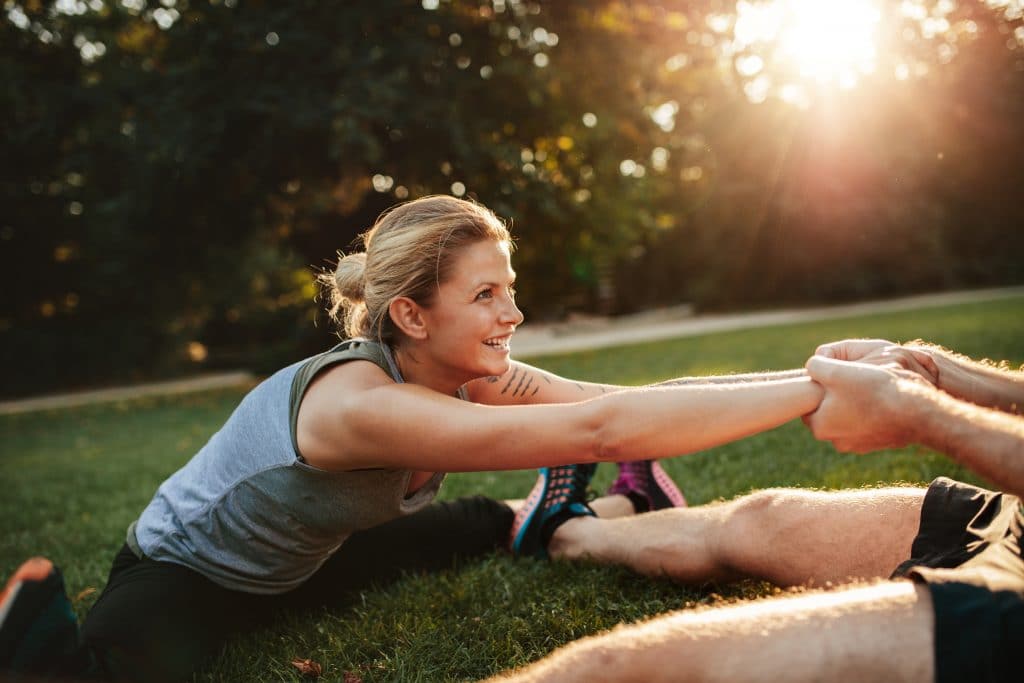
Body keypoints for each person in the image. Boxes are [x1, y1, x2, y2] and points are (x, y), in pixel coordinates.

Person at [0, 195, 822, 682]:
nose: (514, 315)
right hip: (186, 571)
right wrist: (817, 395)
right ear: (411, 314)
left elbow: (621, 399)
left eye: (512, 290)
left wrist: (813, 371)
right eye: (489, 294)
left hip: (309, 556)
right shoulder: (357, 404)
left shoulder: (467, 373)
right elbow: (600, 425)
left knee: (466, 524)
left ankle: (611, 502)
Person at [490, 339, 1024, 683]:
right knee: (760, 519)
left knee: (620, 669)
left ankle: (615, 507)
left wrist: (916, 409)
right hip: (1012, 523)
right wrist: (931, 370)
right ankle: (566, 531)